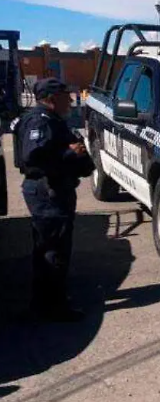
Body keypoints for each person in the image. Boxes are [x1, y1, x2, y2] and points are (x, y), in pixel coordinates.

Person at [14, 78, 95, 322]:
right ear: (50, 98)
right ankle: (52, 307)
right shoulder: (40, 120)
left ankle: (46, 302)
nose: (70, 100)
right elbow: (34, 157)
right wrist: (71, 154)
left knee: (51, 248)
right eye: (64, 96)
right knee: (53, 250)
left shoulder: (53, 120)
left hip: (54, 190)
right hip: (47, 192)